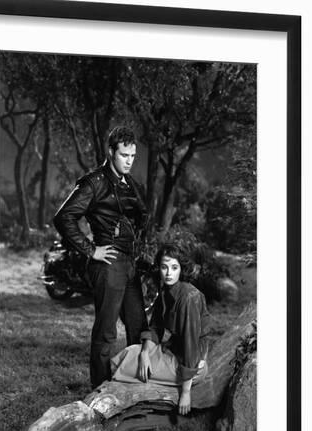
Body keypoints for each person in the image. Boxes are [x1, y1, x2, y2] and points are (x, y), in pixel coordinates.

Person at [54, 126, 149, 389]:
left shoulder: (130, 183)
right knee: (106, 333)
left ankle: (135, 385)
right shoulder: (94, 182)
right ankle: (100, 390)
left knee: (139, 325)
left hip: (129, 264)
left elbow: (143, 214)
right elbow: (64, 217)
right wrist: (91, 249)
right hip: (108, 265)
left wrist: (138, 233)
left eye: (133, 156)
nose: (129, 161)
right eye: (124, 155)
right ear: (110, 152)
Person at [110, 243, 210, 415]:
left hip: (189, 365)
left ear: (182, 269)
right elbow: (155, 327)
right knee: (128, 355)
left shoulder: (188, 297)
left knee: (121, 366)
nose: (169, 273)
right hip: (172, 351)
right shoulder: (166, 291)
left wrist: (185, 393)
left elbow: (190, 346)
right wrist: (144, 353)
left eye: (174, 267)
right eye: (164, 267)